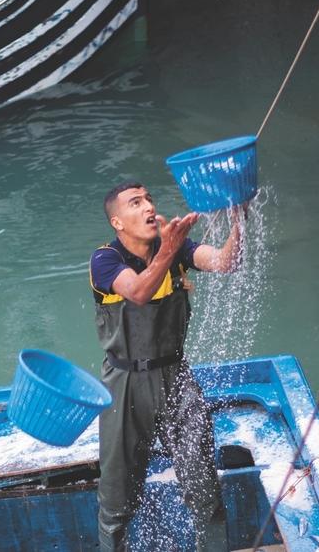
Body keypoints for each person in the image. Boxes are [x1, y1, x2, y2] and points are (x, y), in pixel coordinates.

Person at [89, 181, 246, 551]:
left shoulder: (175, 249)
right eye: (135, 202)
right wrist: (170, 249)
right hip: (124, 383)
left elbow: (226, 261)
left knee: (204, 486)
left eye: (149, 199)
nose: (147, 207)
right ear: (117, 222)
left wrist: (239, 217)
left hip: (177, 378)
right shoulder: (105, 259)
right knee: (116, 496)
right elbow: (139, 292)